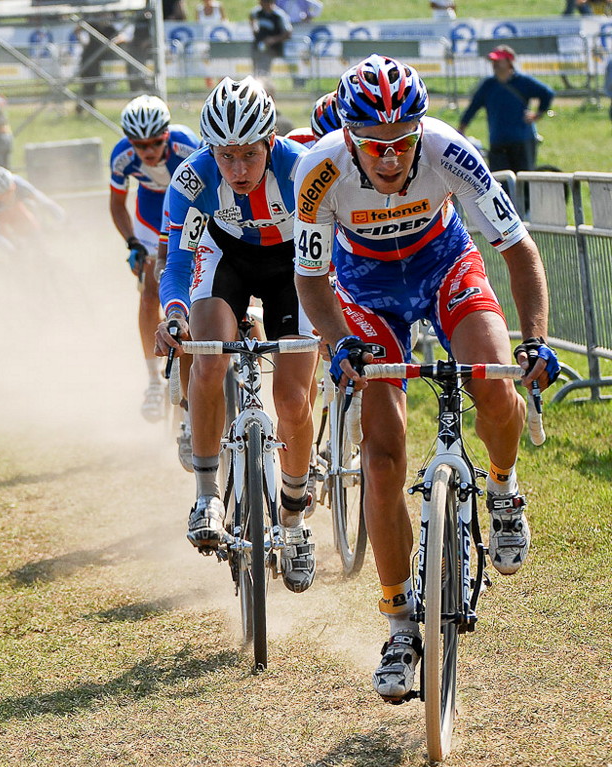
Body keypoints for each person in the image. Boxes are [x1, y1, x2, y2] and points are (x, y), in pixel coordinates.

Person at [293, 54, 559, 703]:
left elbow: (519, 252)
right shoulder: (318, 169)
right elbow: (308, 278)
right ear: (350, 136)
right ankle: (398, 625)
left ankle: (502, 489)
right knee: (381, 460)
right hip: (364, 291)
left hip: (446, 268)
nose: (389, 158)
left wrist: (536, 342)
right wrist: (339, 342)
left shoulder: (450, 150)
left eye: (402, 142)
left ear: (420, 130)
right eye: (374, 145)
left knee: (494, 382)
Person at [154, 77, 318, 594]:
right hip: (226, 262)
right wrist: (175, 314)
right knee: (207, 359)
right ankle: (206, 494)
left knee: (292, 398)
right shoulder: (193, 180)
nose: (239, 169)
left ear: (272, 141)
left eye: (249, 154)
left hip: (295, 266)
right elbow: (178, 260)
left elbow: (333, 248)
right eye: (226, 157)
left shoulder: (302, 170)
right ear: (210, 150)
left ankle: (293, 521)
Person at [109, 95, 202, 423]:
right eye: (139, 145)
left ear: (166, 136)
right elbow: (117, 204)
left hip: (188, 210)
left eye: (154, 143)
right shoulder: (121, 156)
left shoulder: (187, 146)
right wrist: (132, 242)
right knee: (150, 290)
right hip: (150, 216)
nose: (147, 152)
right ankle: (152, 381)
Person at [458, 45, 555, 175]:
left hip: (522, 140)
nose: (495, 64)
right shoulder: (488, 85)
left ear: (509, 62)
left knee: (523, 181)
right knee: (501, 181)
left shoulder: (523, 82)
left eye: (499, 61)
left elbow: (547, 93)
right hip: (498, 140)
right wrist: (461, 128)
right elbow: (473, 107)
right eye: (493, 61)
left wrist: (537, 114)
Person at [0, 165, 65, 254]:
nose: (7, 197)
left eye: (9, 192)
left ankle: (42, 250)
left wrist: (62, 218)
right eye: (1, 195)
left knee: (26, 215)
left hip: (16, 206)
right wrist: (11, 250)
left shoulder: (18, 183)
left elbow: (44, 201)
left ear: (13, 185)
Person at [74, 15, 118, 112]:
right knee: (86, 83)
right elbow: (77, 29)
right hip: (87, 57)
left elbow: (118, 37)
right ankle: (85, 107)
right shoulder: (93, 25)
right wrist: (82, 41)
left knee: (93, 83)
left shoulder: (110, 29)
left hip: (98, 59)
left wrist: (109, 46)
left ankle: (86, 106)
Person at [249, 0, 293, 77]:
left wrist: (273, 40)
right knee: (255, 68)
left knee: (264, 70)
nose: (261, 4)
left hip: (273, 48)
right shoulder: (258, 12)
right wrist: (254, 28)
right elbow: (251, 16)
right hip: (259, 45)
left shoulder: (279, 15)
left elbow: (288, 33)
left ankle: (264, 84)